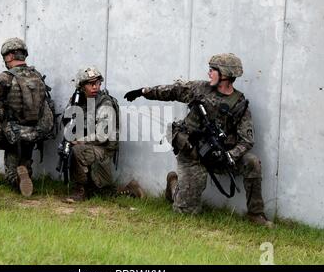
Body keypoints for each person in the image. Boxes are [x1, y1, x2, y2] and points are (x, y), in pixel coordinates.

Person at [124, 53, 273, 228]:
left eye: (213, 70)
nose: (208, 73)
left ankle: (255, 214)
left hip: (219, 155)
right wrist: (144, 92)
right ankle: (173, 186)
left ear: (224, 75)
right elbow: (173, 90)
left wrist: (229, 155)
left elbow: (246, 140)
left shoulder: (239, 104)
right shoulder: (200, 89)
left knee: (252, 162)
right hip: (192, 152)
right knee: (186, 212)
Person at [0, 37, 55, 197]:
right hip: (35, 132)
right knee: (25, 160)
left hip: (11, 133)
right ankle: (25, 171)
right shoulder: (37, 77)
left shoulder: (6, 78)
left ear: (10, 56)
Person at [62, 67, 144, 203]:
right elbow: (68, 122)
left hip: (103, 149)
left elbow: (102, 136)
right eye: (90, 84)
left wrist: (79, 141)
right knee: (102, 192)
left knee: (77, 150)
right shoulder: (80, 101)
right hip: (91, 146)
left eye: (98, 83)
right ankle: (126, 189)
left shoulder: (104, 104)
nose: (95, 87)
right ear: (82, 87)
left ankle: (80, 191)